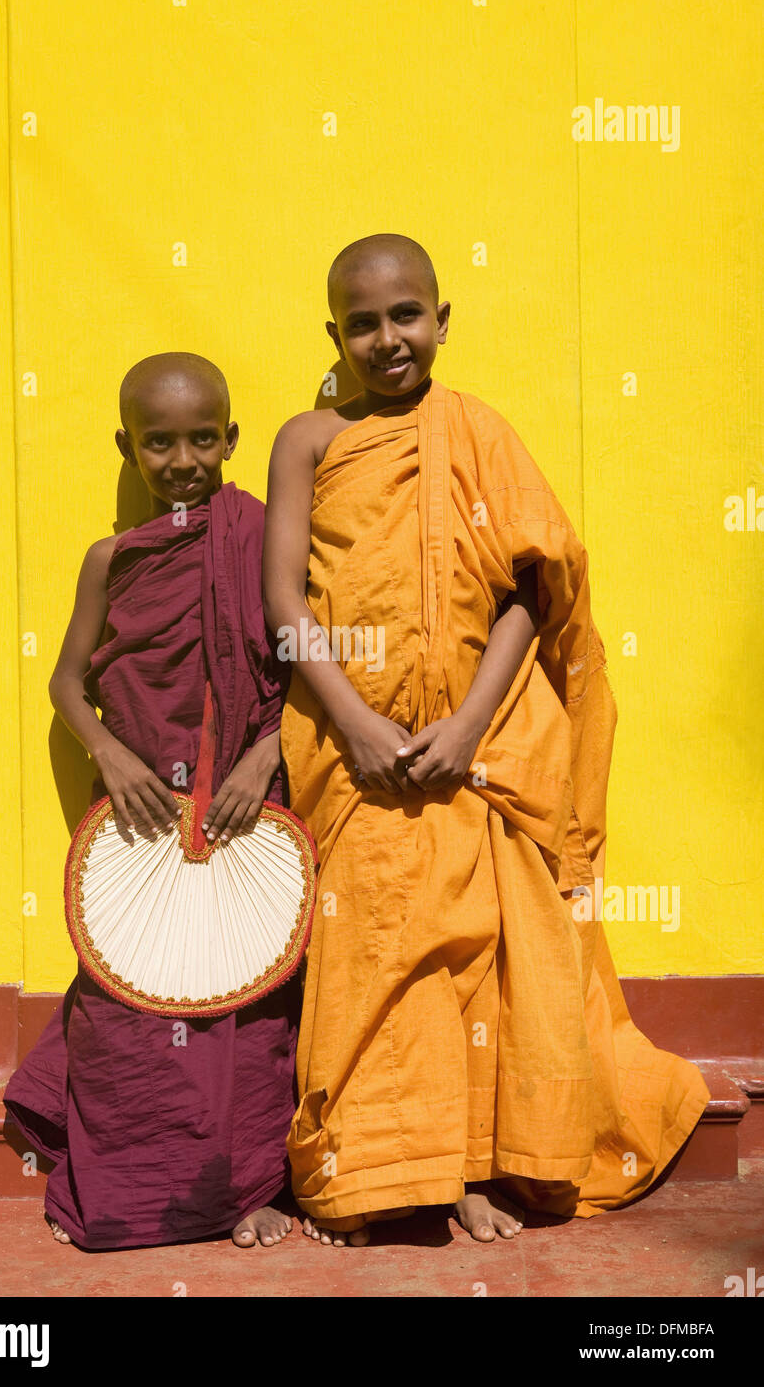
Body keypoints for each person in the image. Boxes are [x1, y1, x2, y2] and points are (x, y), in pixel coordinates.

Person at [262, 233, 710, 1247]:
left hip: (483, 745)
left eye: (405, 314)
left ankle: (471, 1168)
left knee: (486, 957)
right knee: (377, 947)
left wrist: (464, 726)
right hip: (355, 750)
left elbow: (527, 590)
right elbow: (283, 600)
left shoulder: (476, 431)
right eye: (363, 321)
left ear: (441, 320)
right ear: (332, 333)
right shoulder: (309, 440)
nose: (387, 338)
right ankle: (376, 1169)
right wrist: (358, 723)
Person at [4, 352, 299, 1250]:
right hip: (139, 818)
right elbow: (65, 682)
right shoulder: (112, 558)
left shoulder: (261, 536)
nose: (182, 461)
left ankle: (250, 1192)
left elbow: (312, 670)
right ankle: (130, 1192)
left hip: (247, 813)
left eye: (202, 439)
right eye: (159, 443)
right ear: (126, 446)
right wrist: (110, 752)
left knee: (248, 1011)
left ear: (230, 440)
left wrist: (266, 755)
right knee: (129, 1009)